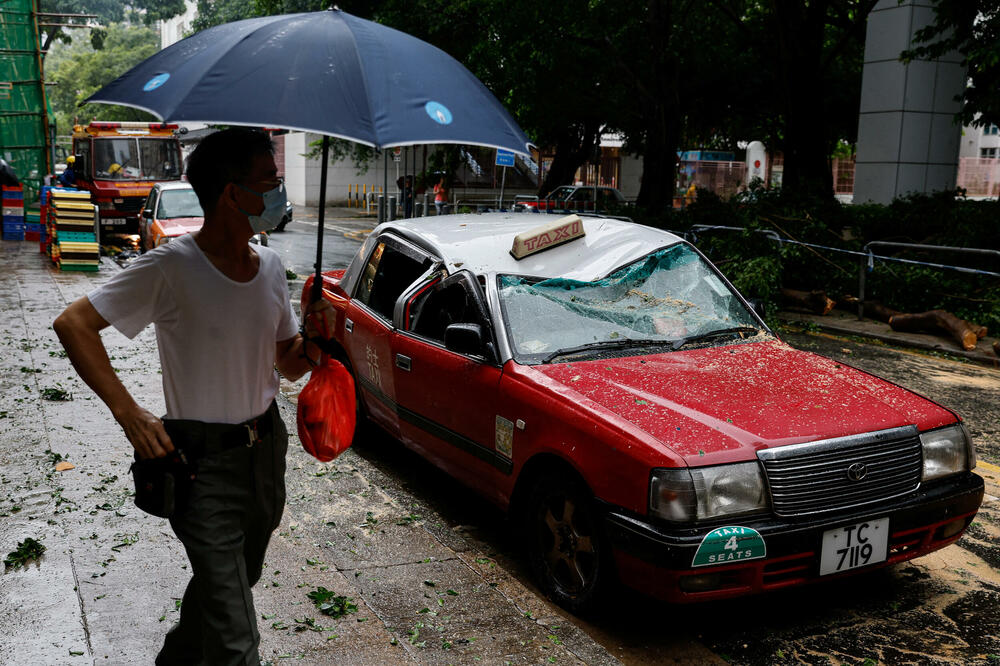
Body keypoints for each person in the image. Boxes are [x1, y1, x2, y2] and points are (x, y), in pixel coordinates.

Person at [52, 128, 331, 666]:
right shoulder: (172, 266)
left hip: (265, 453)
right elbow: (74, 324)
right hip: (201, 464)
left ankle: (176, 659)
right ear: (232, 193)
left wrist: (317, 338)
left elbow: (290, 364)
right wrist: (129, 413)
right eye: (269, 181)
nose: (278, 192)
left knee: (234, 580)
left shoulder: (271, 267)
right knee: (236, 639)